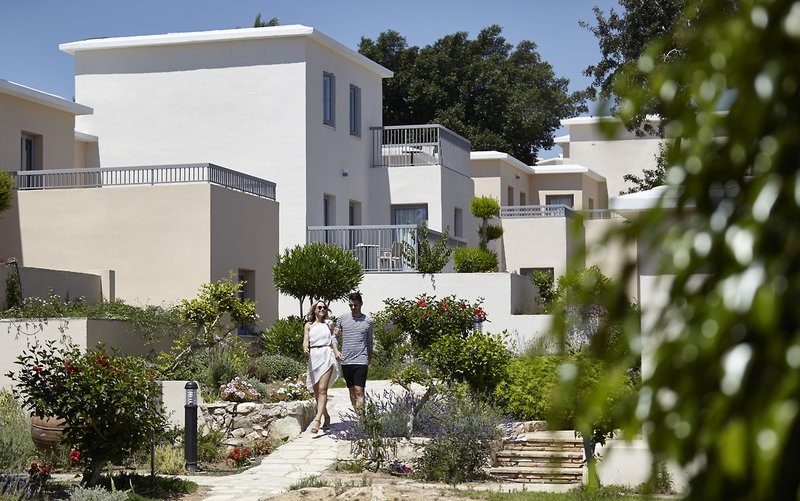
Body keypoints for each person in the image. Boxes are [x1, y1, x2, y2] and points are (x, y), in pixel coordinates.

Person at [303, 300, 341, 433]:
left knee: (322, 389)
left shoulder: (329, 323)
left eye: (324, 307)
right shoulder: (308, 325)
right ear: (314, 309)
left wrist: (336, 350)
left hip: (326, 355)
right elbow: (306, 339)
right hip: (314, 357)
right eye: (319, 307)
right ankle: (326, 416)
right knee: (316, 392)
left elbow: (334, 339)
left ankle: (317, 420)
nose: (322, 309)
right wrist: (305, 348)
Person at [335, 292, 374, 408]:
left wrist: (369, 359)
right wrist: (336, 351)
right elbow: (334, 337)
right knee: (351, 390)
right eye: (350, 305)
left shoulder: (368, 321)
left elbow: (369, 342)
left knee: (359, 390)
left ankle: (361, 418)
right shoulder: (342, 319)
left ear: (361, 304)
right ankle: (356, 415)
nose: (353, 307)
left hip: (361, 359)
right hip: (346, 360)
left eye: (355, 305)